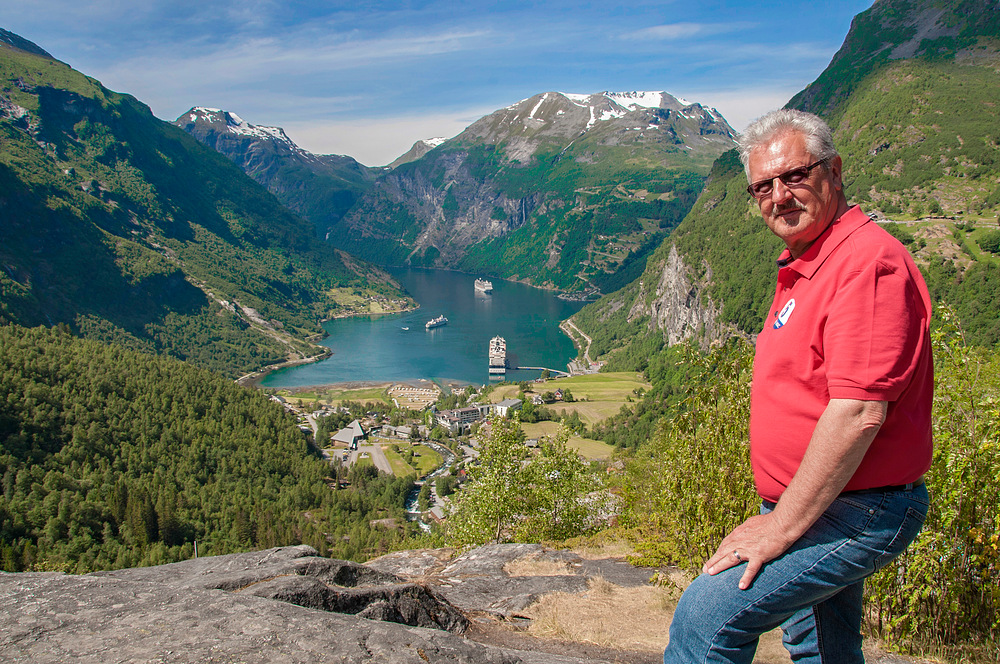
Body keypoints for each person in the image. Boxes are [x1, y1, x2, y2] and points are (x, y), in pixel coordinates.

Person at [663, 109, 933, 663]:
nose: (779, 196)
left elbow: (859, 411)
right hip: (822, 499)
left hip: (856, 507)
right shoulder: (815, 260)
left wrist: (781, 528)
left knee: (706, 619)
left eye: (795, 176)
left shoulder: (866, 263)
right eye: (763, 186)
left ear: (834, 171)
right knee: (821, 647)